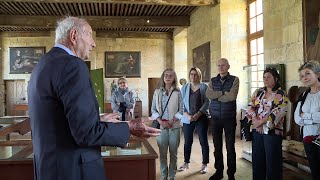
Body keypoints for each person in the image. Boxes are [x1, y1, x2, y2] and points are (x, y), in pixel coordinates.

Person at [27, 16, 160, 180]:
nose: (93, 43)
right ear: (74, 35)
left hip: (48, 168)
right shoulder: (72, 65)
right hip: (73, 169)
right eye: (89, 35)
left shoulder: (42, 65)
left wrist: (96, 118)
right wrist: (129, 127)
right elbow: (86, 133)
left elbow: (55, 118)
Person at [246, 67, 288, 180]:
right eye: (264, 77)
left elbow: (278, 113)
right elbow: (250, 107)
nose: (266, 79)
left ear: (276, 78)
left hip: (272, 132)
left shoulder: (281, 94)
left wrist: (260, 123)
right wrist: (255, 121)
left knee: (272, 163)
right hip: (257, 130)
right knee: (257, 161)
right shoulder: (259, 92)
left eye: (269, 77)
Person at [206, 58, 239, 180]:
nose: (221, 67)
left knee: (230, 147)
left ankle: (231, 174)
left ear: (228, 66)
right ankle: (219, 171)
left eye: (223, 65)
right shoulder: (212, 80)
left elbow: (232, 96)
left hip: (229, 118)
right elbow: (209, 95)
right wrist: (223, 93)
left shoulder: (235, 79)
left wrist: (217, 95)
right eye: (219, 65)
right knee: (217, 146)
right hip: (215, 118)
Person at [151, 68, 183, 180]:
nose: (168, 77)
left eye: (170, 75)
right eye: (166, 75)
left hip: (174, 127)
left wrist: (172, 121)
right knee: (163, 154)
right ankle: (164, 176)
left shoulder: (178, 92)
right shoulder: (157, 92)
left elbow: (181, 110)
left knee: (173, 153)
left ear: (174, 78)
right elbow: (153, 110)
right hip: (161, 127)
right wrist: (160, 121)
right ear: (163, 77)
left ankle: (172, 176)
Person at [179, 67, 210, 174]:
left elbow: (207, 102)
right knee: (187, 141)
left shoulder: (204, 87)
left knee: (203, 141)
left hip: (201, 117)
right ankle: (186, 162)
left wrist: (198, 114)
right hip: (188, 118)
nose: (193, 76)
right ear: (189, 75)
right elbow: (181, 103)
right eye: (191, 74)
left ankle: (204, 164)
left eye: (196, 74)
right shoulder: (184, 87)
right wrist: (187, 115)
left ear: (199, 75)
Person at [294, 60, 320, 180]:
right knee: (315, 172)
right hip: (307, 139)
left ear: (317, 74)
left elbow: (303, 116)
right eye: (302, 76)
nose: (304, 78)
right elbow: (297, 118)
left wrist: (306, 116)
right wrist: (313, 118)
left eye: (308, 73)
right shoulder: (304, 95)